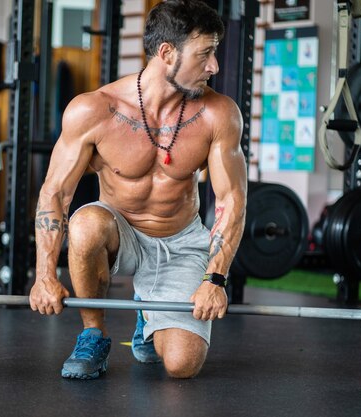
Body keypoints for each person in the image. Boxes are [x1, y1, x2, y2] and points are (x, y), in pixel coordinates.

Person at [29, 0, 247, 380]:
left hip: (180, 240)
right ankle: (93, 334)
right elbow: (56, 194)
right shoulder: (94, 111)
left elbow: (231, 201)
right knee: (86, 224)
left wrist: (215, 279)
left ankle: (148, 313)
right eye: (205, 54)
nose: (214, 66)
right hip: (120, 231)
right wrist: (45, 274)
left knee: (181, 366)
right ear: (166, 53)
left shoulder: (218, 114)